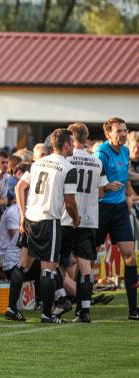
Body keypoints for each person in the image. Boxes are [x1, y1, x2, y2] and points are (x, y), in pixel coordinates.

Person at [7, 129, 79, 323]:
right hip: (49, 220)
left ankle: (12, 308)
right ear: (65, 145)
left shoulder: (37, 163)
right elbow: (70, 202)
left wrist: (22, 215)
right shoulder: (67, 167)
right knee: (48, 269)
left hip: (31, 218)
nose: (73, 146)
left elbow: (19, 187)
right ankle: (47, 314)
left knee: (23, 266)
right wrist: (76, 218)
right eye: (71, 143)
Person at [58, 123, 107, 323]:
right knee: (85, 268)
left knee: (56, 264)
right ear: (87, 137)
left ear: (71, 137)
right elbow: (101, 191)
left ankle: (61, 298)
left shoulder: (66, 159)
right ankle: (84, 310)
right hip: (88, 219)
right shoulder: (96, 162)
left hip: (66, 218)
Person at [93, 117, 138, 320]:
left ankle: (133, 309)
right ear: (108, 134)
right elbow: (92, 182)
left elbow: (124, 175)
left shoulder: (126, 151)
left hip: (119, 209)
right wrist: (105, 186)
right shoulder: (101, 153)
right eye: (119, 131)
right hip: (101, 209)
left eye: (125, 130)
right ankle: (82, 307)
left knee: (130, 255)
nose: (123, 134)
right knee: (89, 257)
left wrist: (128, 194)